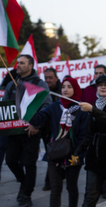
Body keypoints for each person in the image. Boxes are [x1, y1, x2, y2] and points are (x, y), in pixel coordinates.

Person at [3, 55, 52, 207]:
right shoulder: (12, 84)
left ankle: (27, 195)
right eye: (17, 62)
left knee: (29, 163)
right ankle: (23, 182)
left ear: (30, 66)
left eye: (22, 63)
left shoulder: (40, 84)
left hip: (31, 132)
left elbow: (46, 106)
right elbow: (5, 106)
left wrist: (36, 125)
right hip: (13, 132)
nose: (18, 65)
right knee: (11, 160)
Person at [33, 77, 88, 207]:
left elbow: (84, 135)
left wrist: (78, 156)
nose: (65, 89)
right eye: (63, 87)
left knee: (71, 187)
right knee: (55, 189)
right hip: (55, 153)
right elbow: (39, 120)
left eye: (69, 87)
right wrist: (28, 111)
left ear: (75, 89)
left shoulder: (82, 108)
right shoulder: (54, 107)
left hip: (73, 155)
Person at [74, 75, 106, 207]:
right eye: (100, 85)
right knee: (90, 196)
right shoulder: (95, 105)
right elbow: (89, 134)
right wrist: (77, 152)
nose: (103, 87)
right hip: (94, 160)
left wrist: (92, 110)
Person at [42, 67, 62, 191]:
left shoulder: (63, 89)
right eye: (46, 78)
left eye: (50, 78)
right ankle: (50, 180)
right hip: (47, 129)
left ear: (56, 78)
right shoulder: (43, 90)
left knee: (55, 154)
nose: (48, 80)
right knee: (51, 153)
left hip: (60, 128)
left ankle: (49, 181)